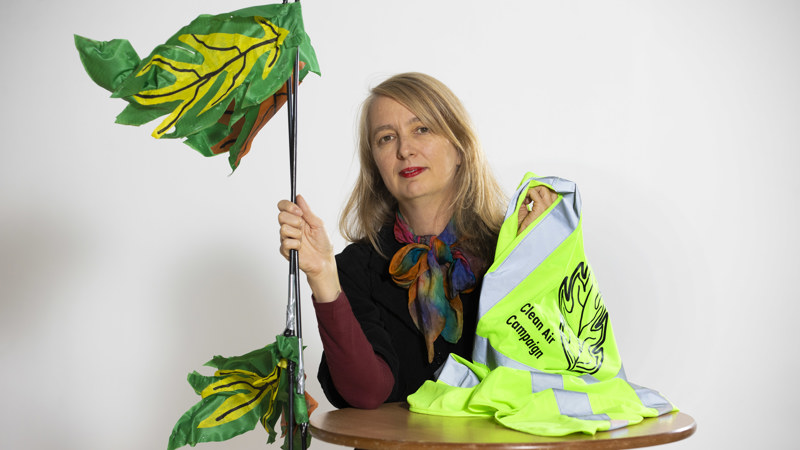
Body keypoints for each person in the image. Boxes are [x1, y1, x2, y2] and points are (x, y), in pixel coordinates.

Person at [277, 72, 556, 409]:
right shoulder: (355, 268)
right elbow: (366, 392)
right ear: (375, 164)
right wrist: (322, 276)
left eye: (421, 129)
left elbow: (548, 372)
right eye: (385, 138)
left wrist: (537, 254)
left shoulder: (510, 250)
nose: (405, 150)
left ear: (460, 148)